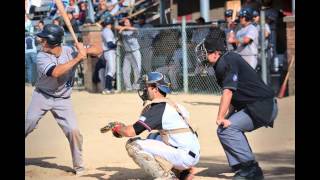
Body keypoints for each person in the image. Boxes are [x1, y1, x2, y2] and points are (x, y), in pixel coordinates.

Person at [195, 27, 278, 180]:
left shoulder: (227, 60)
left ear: (215, 53)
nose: (203, 55)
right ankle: (242, 166)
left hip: (263, 105)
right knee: (224, 129)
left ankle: (251, 169)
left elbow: (228, 92)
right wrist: (227, 116)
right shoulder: (224, 61)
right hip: (259, 105)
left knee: (228, 129)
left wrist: (220, 117)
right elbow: (234, 97)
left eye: (205, 52)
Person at [25, 24, 101, 175]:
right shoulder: (41, 56)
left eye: (45, 39)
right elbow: (56, 72)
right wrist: (78, 58)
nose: (41, 41)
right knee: (29, 124)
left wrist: (84, 49)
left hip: (63, 100)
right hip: (42, 96)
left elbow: (99, 49)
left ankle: (79, 166)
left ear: (53, 41)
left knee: (74, 131)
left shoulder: (70, 50)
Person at [104, 71, 200, 179]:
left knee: (133, 145)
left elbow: (130, 132)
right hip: (192, 153)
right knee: (152, 137)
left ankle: (167, 177)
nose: (144, 90)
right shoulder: (175, 105)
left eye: (147, 87)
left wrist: (118, 128)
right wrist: (124, 128)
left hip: (183, 156)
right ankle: (184, 172)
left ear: (155, 89)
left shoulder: (159, 108)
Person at [116, 17, 142, 91]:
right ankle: (128, 87)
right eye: (124, 22)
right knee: (125, 70)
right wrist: (123, 28)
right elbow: (116, 27)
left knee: (137, 70)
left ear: (130, 23)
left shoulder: (133, 29)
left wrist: (124, 28)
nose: (125, 23)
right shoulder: (123, 31)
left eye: (127, 22)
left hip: (135, 52)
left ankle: (136, 87)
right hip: (127, 53)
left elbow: (137, 30)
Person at [101, 16, 117, 94]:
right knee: (111, 70)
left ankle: (109, 88)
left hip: (108, 52)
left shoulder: (106, 30)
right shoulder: (107, 31)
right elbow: (110, 44)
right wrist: (117, 44)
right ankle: (107, 88)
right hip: (109, 52)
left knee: (109, 71)